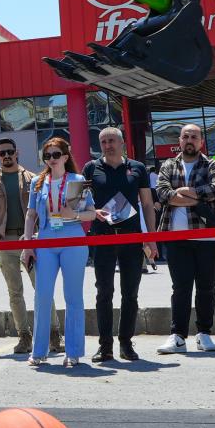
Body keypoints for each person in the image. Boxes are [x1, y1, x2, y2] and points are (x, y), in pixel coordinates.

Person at [21, 134, 97, 368]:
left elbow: (92, 214)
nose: (51, 159)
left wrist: (74, 214)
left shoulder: (78, 179)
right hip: (45, 239)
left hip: (72, 237)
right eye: (47, 155)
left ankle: (73, 352)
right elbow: (31, 214)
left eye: (55, 154)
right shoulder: (37, 182)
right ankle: (39, 351)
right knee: (42, 295)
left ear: (65, 156)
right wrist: (27, 244)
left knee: (73, 296)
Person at [83, 127, 156, 363]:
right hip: (102, 237)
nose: (108, 145)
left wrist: (151, 237)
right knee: (104, 292)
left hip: (131, 237)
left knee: (130, 293)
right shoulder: (91, 168)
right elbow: (82, 203)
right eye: (103, 141)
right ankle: (105, 346)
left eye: (112, 141)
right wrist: (94, 211)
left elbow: (147, 204)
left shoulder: (138, 168)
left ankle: (126, 343)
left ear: (122, 143)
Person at [155, 124, 215, 355]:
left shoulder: (212, 164)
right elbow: (163, 193)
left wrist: (181, 194)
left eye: (194, 137)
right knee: (180, 288)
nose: (189, 140)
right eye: (185, 136)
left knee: (207, 287)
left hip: (208, 237)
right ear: (179, 140)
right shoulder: (168, 165)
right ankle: (177, 336)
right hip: (176, 236)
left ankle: (204, 333)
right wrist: (196, 198)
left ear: (201, 141)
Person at [0, 136, 53, 358]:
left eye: (10, 152)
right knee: (15, 292)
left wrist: (38, 236)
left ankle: (53, 335)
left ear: (17, 152)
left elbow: (45, 210)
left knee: (42, 289)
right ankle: (24, 336)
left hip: (30, 240)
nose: (6, 156)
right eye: (2, 153)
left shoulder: (33, 179)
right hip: (5, 242)